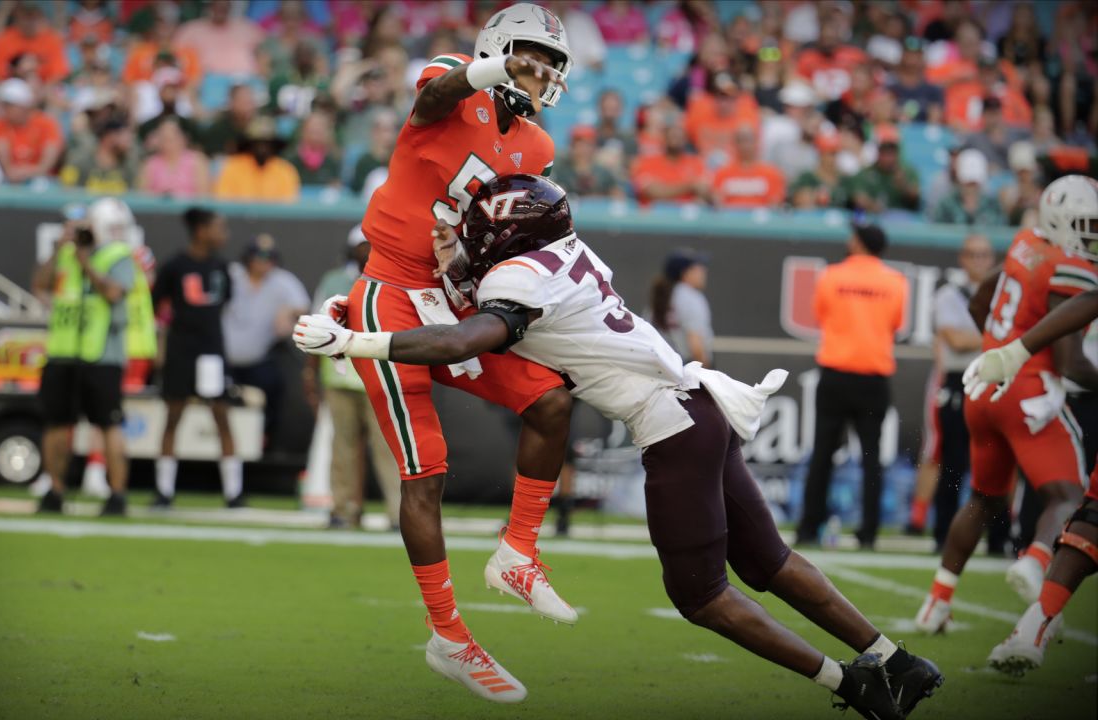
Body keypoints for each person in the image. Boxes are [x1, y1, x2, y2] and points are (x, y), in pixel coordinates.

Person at [294, 174, 943, 720]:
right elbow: (453, 310)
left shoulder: (519, 282)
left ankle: (852, 684)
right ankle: (897, 659)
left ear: (511, 234)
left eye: (478, 229)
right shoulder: (566, 254)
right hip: (701, 410)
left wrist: (356, 343)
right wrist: (366, 308)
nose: (466, 239)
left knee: (703, 596)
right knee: (767, 560)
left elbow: (461, 342)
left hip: (673, 429)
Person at [327, 4, 577, 702]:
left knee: (551, 398)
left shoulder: (537, 147)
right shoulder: (448, 83)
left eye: (551, 63)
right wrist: (498, 69)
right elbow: (438, 91)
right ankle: (449, 636)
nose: (542, 72)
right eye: (531, 56)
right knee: (424, 473)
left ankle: (519, 552)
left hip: (453, 299)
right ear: (498, 50)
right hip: (390, 290)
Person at [915, 176, 1098, 635]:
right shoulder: (1067, 263)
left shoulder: (1027, 242)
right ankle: (1036, 560)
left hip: (986, 389)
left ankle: (936, 602)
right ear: (1061, 218)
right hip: (1027, 392)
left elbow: (982, 298)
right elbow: (1070, 360)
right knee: (1069, 495)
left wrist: (996, 345)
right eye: (1085, 223)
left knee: (983, 497)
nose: (1092, 232)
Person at [965, 261, 1098, 675]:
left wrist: (1014, 349)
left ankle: (1029, 622)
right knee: (1084, 509)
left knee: (1082, 511)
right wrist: (1016, 350)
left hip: (1011, 390)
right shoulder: (1061, 259)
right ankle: (1034, 619)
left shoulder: (1032, 250)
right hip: (1029, 391)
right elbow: (1089, 305)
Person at [795, 225, 908, 550]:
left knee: (822, 455)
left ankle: (808, 528)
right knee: (871, 458)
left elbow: (820, 315)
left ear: (858, 243)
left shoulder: (831, 276)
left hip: (835, 374)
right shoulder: (895, 282)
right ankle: (868, 532)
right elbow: (895, 324)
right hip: (873, 378)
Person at [29, 198, 136, 516]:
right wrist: (60, 247)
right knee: (56, 424)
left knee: (108, 425)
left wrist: (85, 260)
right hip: (64, 351)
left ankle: (117, 495)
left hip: (102, 353)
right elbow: (40, 284)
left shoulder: (117, 255)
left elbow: (114, 292)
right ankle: (55, 489)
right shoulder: (66, 252)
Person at [307, 226, 400, 529]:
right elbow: (316, 327)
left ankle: (400, 513)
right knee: (343, 448)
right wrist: (310, 370)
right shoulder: (334, 281)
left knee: (388, 448)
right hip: (340, 377)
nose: (367, 251)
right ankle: (344, 509)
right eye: (363, 245)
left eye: (372, 245)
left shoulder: (394, 280)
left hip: (380, 377)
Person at [150, 208, 241, 508]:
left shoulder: (221, 267)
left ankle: (233, 492)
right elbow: (156, 305)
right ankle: (164, 490)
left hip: (212, 351)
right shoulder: (175, 266)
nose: (223, 234)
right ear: (201, 230)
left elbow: (224, 303)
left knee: (222, 416)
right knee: (173, 416)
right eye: (219, 227)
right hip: (181, 349)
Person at [919, 234, 998, 547]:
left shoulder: (1002, 294)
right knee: (951, 461)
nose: (979, 261)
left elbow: (967, 337)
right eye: (973, 255)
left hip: (993, 381)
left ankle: (998, 537)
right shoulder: (949, 295)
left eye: (984, 255)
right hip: (960, 381)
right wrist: (996, 334)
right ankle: (943, 535)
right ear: (962, 258)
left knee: (996, 462)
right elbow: (955, 339)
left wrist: (976, 336)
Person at [222, 235, 310, 441]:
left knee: (274, 386)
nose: (264, 261)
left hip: (257, 361)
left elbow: (303, 306)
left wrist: (288, 311)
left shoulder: (282, 281)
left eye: (269, 256)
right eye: (258, 256)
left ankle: (265, 436)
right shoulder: (233, 275)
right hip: (223, 359)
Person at [0, 78, 62, 183]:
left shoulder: (46, 124)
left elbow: (46, 164)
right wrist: (12, 171)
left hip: (42, 179)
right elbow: (6, 168)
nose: (5, 110)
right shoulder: (0, 126)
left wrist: (25, 172)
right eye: (4, 105)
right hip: (9, 180)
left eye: (9, 105)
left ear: (23, 105)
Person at [213, 116, 300, 202]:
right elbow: (223, 202)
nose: (262, 148)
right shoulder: (232, 167)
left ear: (274, 145)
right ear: (250, 144)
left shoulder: (285, 170)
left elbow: (288, 208)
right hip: (238, 216)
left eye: (266, 143)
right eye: (258, 142)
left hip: (275, 216)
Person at [649, 250, 712, 366]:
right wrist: (706, 373)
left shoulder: (661, 296)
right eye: (697, 268)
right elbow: (696, 345)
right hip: (686, 368)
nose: (704, 271)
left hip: (659, 368)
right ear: (685, 272)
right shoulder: (691, 297)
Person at [630, 122, 708, 205]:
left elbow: (704, 189)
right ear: (663, 139)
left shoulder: (696, 163)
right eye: (672, 136)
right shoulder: (646, 162)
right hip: (655, 214)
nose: (675, 140)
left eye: (679, 137)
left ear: (685, 140)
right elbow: (651, 191)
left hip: (686, 214)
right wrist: (690, 187)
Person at [711, 126, 785, 209]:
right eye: (740, 141)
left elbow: (775, 204)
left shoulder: (772, 173)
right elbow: (717, 201)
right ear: (734, 144)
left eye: (748, 140)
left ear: (756, 143)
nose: (745, 145)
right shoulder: (722, 173)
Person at [931, 148, 1006, 226]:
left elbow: (1000, 228)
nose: (971, 189)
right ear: (959, 180)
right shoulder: (946, 205)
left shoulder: (992, 205)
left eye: (974, 184)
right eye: (968, 184)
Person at [139, 117, 210, 198]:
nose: (167, 142)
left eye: (171, 137)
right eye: (163, 136)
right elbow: (143, 195)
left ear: (184, 138)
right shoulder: (150, 163)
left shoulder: (198, 160)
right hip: (156, 210)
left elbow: (203, 196)